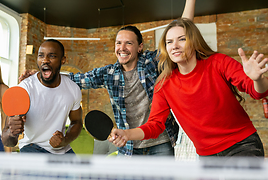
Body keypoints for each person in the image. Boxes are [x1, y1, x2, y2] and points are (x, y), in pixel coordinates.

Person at [19, 0, 201, 157]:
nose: (122, 48)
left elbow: (182, 32)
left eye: (128, 43)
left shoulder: (151, 62)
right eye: (118, 43)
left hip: (160, 142)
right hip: (128, 145)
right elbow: (76, 78)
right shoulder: (109, 73)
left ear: (140, 47)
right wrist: (40, 74)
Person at [109, 18, 268, 158]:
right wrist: (126, 134)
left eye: (182, 39)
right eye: (169, 42)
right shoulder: (164, 83)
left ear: (194, 41)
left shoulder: (218, 62)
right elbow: (155, 125)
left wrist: (258, 78)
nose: (175, 46)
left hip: (242, 145)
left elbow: (257, 92)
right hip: (207, 155)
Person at [2, 39, 83, 154]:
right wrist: (11, 132)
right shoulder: (25, 88)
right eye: (41, 56)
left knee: (81, 172)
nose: (45, 60)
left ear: (63, 60)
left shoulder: (73, 89)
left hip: (62, 149)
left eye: (52, 56)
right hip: (32, 147)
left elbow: (77, 122)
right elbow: (8, 141)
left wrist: (65, 140)